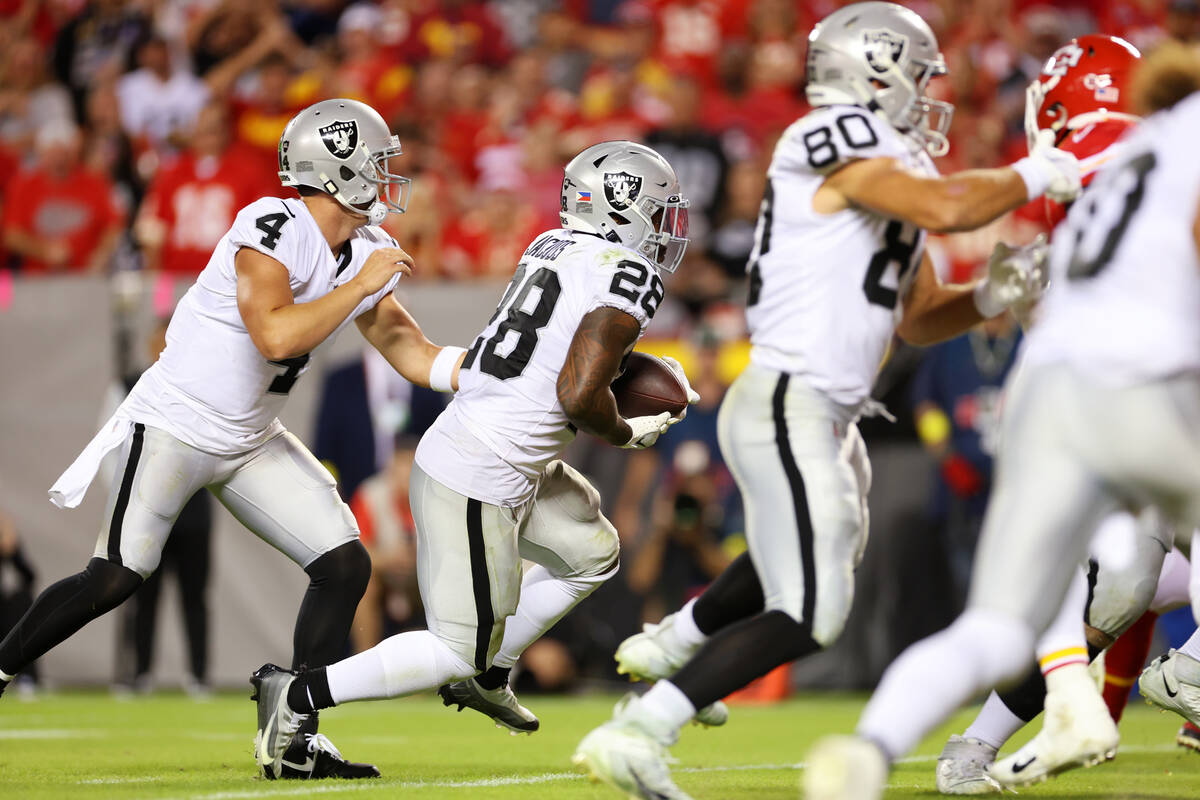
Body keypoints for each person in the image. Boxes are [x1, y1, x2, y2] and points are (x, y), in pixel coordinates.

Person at [572, 4, 1082, 798]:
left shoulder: (893, 166)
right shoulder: (832, 135)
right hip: (790, 397)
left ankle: (678, 639)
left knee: (806, 566)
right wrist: (1042, 171)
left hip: (826, 411)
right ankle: (642, 727)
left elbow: (916, 315)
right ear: (872, 74)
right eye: (915, 75)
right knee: (813, 610)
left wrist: (991, 293)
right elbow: (952, 210)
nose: (924, 94)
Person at [0, 98, 461, 782]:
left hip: (248, 436)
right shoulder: (271, 224)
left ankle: (292, 732)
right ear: (337, 170)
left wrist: (495, 377)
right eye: (377, 160)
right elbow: (275, 334)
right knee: (115, 576)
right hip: (178, 423)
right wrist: (361, 287)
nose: (390, 174)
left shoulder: (362, 249)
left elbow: (412, 351)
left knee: (344, 564)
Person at [804, 41, 1200, 800]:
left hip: (1054, 391)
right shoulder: (1166, 140)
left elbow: (1041, 295)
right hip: (1150, 383)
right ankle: (1183, 677)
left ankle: (889, 748)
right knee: (1117, 588)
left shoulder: (1068, 173)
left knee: (1040, 612)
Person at [249, 140, 696, 780]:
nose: (663, 229)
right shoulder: (628, 273)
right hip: (483, 467)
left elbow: (567, 359)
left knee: (592, 552)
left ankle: (489, 672)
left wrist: (625, 371)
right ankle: (296, 694)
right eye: (657, 211)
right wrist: (628, 431)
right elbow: (577, 391)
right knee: (453, 648)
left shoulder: (551, 244)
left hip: (502, 449)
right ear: (623, 208)